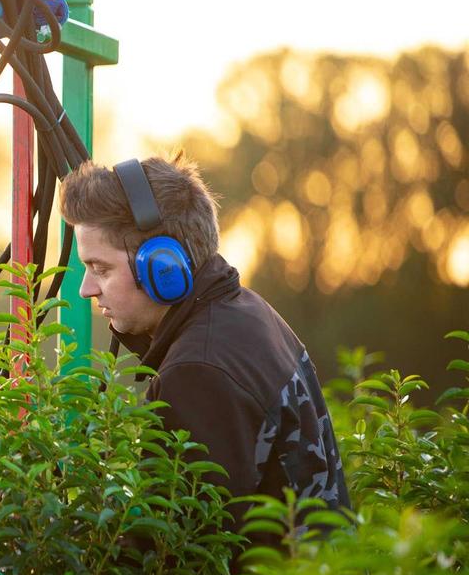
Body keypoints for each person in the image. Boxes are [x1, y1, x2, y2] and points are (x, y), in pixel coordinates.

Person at [58, 152, 351, 530]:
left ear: (162, 266)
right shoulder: (245, 314)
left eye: (101, 268)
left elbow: (165, 558)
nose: (86, 289)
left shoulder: (199, 372)